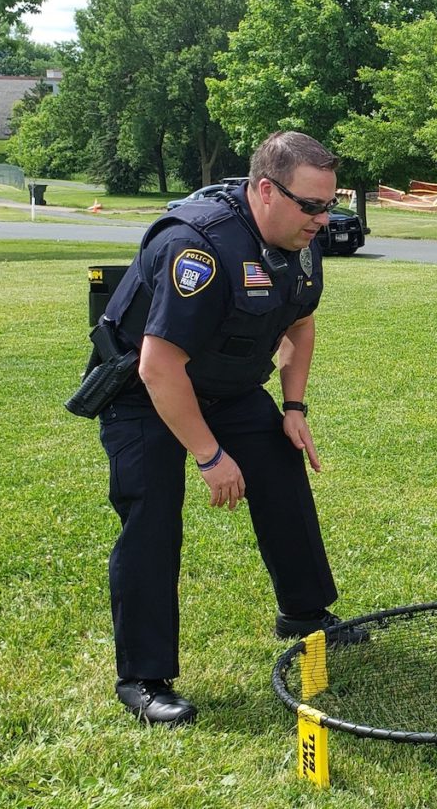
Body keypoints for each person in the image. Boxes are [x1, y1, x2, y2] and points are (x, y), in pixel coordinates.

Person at [94, 131, 365, 727]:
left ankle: (304, 613)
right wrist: (210, 455)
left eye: (330, 204)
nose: (323, 219)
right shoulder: (201, 246)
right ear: (265, 190)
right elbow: (158, 364)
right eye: (311, 205)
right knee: (151, 514)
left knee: (279, 469)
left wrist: (293, 410)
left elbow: (301, 324)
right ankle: (142, 676)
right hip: (146, 393)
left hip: (230, 388)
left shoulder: (299, 239)